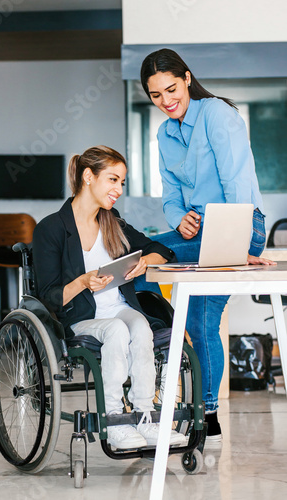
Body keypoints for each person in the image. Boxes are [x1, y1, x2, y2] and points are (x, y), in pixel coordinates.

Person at [139, 48, 276, 441]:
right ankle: (199, 401)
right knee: (137, 266)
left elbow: (235, 181)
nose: (166, 102)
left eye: (171, 89)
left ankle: (205, 408)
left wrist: (235, 247)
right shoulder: (165, 133)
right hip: (196, 233)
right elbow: (169, 195)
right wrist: (177, 217)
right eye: (156, 96)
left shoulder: (216, 112)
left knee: (196, 317)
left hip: (239, 224)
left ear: (186, 78)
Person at [33, 145, 187, 450]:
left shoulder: (111, 221)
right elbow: (49, 298)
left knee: (141, 325)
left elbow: (161, 249)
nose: (118, 189)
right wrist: (83, 281)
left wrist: (145, 261)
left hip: (118, 309)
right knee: (118, 329)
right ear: (88, 176)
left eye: (122, 183)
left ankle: (145, 415)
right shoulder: (51, 228)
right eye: (113, 180)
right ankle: (114, 418)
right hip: (81, 319)